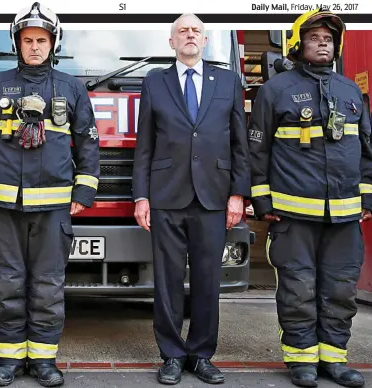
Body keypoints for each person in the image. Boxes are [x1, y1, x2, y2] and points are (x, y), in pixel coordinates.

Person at [0, 2, 100, 386]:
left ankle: (43, 360)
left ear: (53, 43)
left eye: (42, 39)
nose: (35, 46)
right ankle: (8, 360)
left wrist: (84, 191)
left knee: (48, 284)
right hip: (5, 207)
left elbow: (88, 143)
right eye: (28, 40)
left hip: (54, 207)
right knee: (6, 282)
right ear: (17, 44)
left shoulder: (72, 87)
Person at [248, 8, 371, 388]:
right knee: (298, 290)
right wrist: (263, 203)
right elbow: (257, 152)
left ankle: (334, 359)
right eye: (315, 37)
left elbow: (366, 150)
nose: (323, 43)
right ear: (297, 44)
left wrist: (366, 199)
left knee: (339, 290)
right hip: (293, 216)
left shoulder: (350, 91)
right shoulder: (275, 91)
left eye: (329, 39)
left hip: (345, 217)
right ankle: (301, 360)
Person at [132, 13, 250, 385]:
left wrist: (237, 194)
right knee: (166, 281)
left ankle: (201, 355)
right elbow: (144, 146)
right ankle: (170, 354)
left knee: (207, 279)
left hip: (213, 198)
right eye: (182, 31)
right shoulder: (155, 82)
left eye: (196, 31)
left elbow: (240, 144)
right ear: (171, 42)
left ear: (205, 41)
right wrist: (141, 197)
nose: (189, 36)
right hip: (166, 196)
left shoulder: (229, 82)